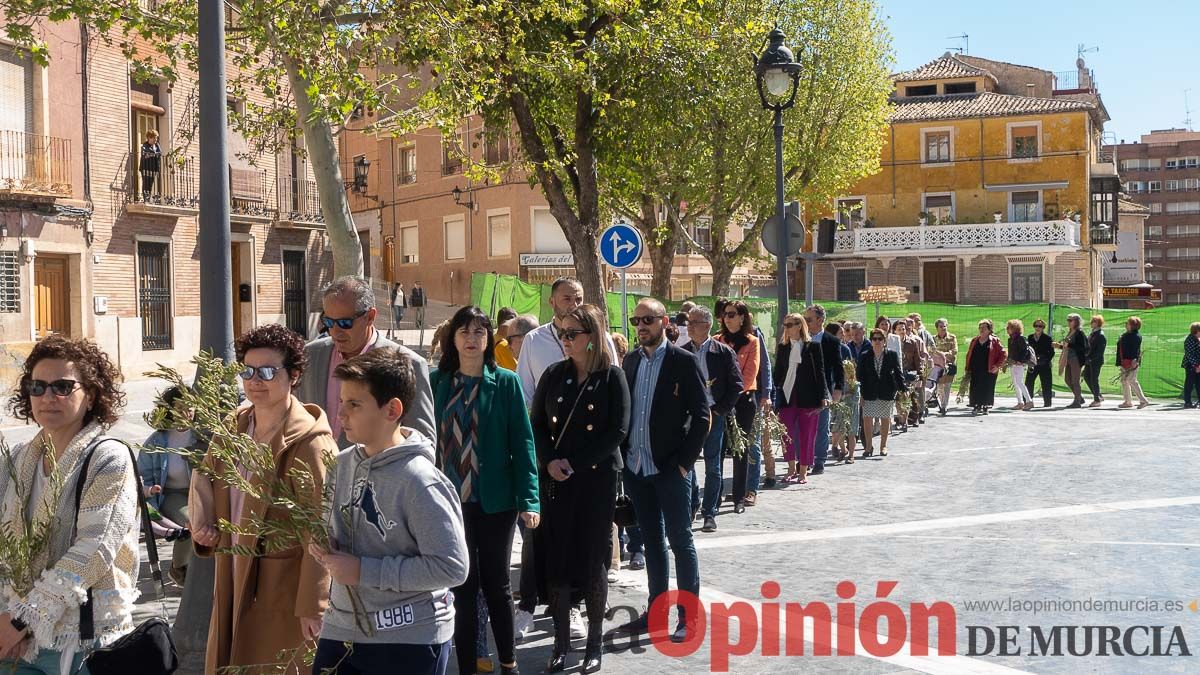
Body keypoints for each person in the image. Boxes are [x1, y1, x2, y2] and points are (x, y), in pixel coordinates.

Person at [309, 348, 469, 675]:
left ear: (392, 409)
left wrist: (364, 571)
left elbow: (452, 567)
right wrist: (322, 545)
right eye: (341, 402)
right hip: (342, 629)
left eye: (354, 404)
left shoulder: (420, 481)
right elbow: (333, 531)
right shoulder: (339, 466)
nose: (341, 414)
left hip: (408, 637)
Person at [190, 323, 337, 675]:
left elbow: (321, 525)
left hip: (280, 586)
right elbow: (204, 477)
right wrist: (202, 525)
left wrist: (313, 603)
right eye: (248, 370)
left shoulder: (311, 442)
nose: (256, 380)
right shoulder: (234, 425)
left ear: (295, 375)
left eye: (269, 371)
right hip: (232, 570)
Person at [0, 336, 138, 675]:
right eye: (38, 386)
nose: (48, 397)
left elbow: (94, 549)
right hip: (17, 642)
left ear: (90, 394)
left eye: (62, 387)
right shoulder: (17, 459)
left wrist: (23, 618)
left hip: (82, 642)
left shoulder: (108, 457)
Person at [430, 306, 539, 675]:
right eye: (465, 332)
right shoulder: (437, 382)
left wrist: (530, 500)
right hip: (449, 502)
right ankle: (468, 668)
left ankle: (508, 663)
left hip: (495, 502)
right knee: (462, 585)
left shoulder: (505, 382)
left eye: (479, 332)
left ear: (489, 338)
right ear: (453, 339)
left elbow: (523, 444)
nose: (472, 339)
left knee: (496, 584)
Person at [530, 304, 630, 674]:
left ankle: (593, 643)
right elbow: (537, 424)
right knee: (557, 557)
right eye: (563, 334)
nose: (566, 340)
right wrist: (550, 460)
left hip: (595, 479)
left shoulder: (611, 377)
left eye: (574, 333)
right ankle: (560, 642)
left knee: (592, 560)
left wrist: (576, 462)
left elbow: (618, 430)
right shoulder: (554, 375)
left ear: (593, 336)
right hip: (557, 479)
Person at [617, 298, 709, 644]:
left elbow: (703, 416)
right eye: (636, 319)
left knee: (680, 541)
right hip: (637, 468)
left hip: (670, 469)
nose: (641, 326)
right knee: (652, 541)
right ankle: (656, 613)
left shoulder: (682, 361)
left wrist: (684, 463)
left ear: (664, 321)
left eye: (648, 319)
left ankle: (689, 618)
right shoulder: (630, 361)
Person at [295, 276, 435, 446]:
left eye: (345, 323)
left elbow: (423, 442)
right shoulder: (310, 355)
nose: (335, 331)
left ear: (370, 316)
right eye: (329, 322)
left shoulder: (410, 364)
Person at [682, 306, 741, 533]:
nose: (689, 326)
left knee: (713, 465)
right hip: (690, 416)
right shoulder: (683, 352)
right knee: (687, 462)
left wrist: (720, 410)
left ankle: (710, 512)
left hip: (713, 415)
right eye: (688, 322)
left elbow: (736, 385)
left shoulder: (723, 352)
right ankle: (692, 503)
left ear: (706, 326)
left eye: (694, 322)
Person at [516, 278, 617, 406]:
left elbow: (613, 384)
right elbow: (524, 394)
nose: (574, 305)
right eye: (567, 299)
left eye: (578, 300)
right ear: (552, 302)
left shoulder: (601, 338)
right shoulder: (534, 340)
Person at [140, 385, 197, 586]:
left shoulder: (202, 436)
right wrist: (149, 491)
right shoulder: (157, 441)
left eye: (191, 407)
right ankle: (179, 569)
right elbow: (143, 474)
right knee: (191, 521)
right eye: (181, 408)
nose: (187, 413)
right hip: (171, 495)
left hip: (199, 492)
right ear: (169, 411)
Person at [713, 300, 760, 512]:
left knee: (741, 449)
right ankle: (715, 495)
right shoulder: (716, 341)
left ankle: (739, 497)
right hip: (720, 402)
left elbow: (750, 374)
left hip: (743, 401)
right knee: (718, 448)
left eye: (732, 314)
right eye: (725, 314)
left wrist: (732, 395)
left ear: (742, 317)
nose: (728, 318)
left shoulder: (752, 342)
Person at [773, 314, 828, 484]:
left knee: (807, 435)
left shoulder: (813, 347)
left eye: (789, 325)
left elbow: (820, 372)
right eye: (785, 325)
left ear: (799, 326)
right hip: (787, 397)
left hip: (809, 397)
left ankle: (803, 471)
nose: (786, 328)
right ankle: (790, 469)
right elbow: (778, 374)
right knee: (786, 435)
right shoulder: (782, 347)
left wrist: (823, 396)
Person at [804, 304, 843, 475]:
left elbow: (838, 366)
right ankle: (804, 459)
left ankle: (819, 460)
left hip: (824, 389)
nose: (805, 322)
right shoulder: (800, 338)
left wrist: (838, 388)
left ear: (820, 320)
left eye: (809, 319)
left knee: (821, 426)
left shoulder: (831, 341)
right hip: (803, 389)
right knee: (803, 426)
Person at [857, 329, 904, 457]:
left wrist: (902, 389)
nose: (877, 341)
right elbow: (859, 376)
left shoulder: (891, 355)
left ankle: (883, 445)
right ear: (871, 341)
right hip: (869, 392)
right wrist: (860, 394)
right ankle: (868, 447)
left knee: (885, 419)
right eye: (874, 339)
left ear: (884, 341)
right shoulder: (865, 355)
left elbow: (898, 373)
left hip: (886, 391)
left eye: (880, 339)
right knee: (867, 419)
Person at [965, 319, 1005, 415]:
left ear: (989, 329)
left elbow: (1003, 354)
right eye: (980, 327)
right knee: (975, 387)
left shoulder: (995, 341)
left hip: (989, 369)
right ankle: (976, 405)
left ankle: (985, 405)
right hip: (975, 369)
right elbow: (969, 354)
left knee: (987, 387)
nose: (981, 329)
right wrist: (967, 367)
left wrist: (997, 366)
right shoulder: (975, 340)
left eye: (984, 327)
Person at [1116, 316, 1151, 409]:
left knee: (1132, 380)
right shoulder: (1126, 335)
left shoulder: (1136, 336)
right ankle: (1127, 402)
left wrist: (1135, 360)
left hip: (1132, 362)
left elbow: (1135, 350)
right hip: (1124, 361)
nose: (1125, 324)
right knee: (1124, 380)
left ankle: (1144, 401)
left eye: (1127, 323)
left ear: (1132, 325)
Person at [1060, 313, 1089, 408]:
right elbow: (1066, 346)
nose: (1068, 322)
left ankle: (1077, 401)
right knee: (1067, 380)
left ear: (1076, 322)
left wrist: (1069, 345)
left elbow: (1082, 347)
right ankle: (1079, 397)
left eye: (1070, 320)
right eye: (1068, 320)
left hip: (1076, 359)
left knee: (1075, 381)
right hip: (1068, 359)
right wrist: (1060, 346)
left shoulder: (1079, 332)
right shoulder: (1070, 332)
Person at [1006, 320, 1035, 411]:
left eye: (1009, 327)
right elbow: (1011, 352)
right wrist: (1008, 361)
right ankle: (1020, 402)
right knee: (1015, 383)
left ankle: (1029, 401)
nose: (1007, 329)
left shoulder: (1021, 338)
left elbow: (1025, 350)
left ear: (1015, 328)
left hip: (1020, 364)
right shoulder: (1010, 339)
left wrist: (1020, 361)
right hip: (1013, 363)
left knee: (1019, 382)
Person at [1025, 319, 1055, 408]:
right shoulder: (1030, 337)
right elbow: (1028, 350)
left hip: (1044, 364)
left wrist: (1046, 360)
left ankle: (1047, 402)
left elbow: (1051, 352)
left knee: (1046, 383)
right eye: (1036, 326)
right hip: (1033, 364)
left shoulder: (1047, 338)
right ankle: (1028, 401)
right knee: (1028, 383)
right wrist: (1029, 360)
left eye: (1040, 326)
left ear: (1043, 328)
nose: (1038, 328)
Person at [931, 319, 958, 415]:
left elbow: (954, 350)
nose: (943, 328)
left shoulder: (952, 337)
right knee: (939, 386)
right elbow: (932, 350)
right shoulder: (933, 338)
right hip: (937, 366)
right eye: (941, 326)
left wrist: (944, 354)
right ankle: (940, 403)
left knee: (947, 386)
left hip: (949, 366)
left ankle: (944, 406)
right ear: (937, 328)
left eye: (945, 326)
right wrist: (940, 355)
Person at [1084, 315, 1107, 407]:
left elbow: (1099, 351)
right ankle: (1098, 395)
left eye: (1093, 321)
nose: (1091, 323)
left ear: (1098, 323)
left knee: (1094, 379)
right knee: (1086, 377)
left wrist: (1091, 359)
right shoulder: (1092, 333)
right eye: (1092, 321)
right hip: (1089, 361)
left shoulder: (1100, 335)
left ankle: (1097, 400)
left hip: (1095, 361)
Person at [140, 128, 162, 201]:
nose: (156, 140)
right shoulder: (145, 145)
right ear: (149, 138)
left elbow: (160, 153)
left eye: (156, 138)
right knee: (146, 183)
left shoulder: (157, 145)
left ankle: (148, 198)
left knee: (150, 184)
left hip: (153, 168)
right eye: (154, 138)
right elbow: (145, 155)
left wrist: (152, 154)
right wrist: (154, 154)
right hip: (146, 168)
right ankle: (145, 198)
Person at [1184, 322, 1200, 408]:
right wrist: (1196, 366)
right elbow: (1189, 354)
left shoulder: (1198, 338)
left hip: (1198, 365)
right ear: (1197, 331)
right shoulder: (1190, 339)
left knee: (1198, 383)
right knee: (1189, 384)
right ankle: (1187, 402)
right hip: (1190, 365)